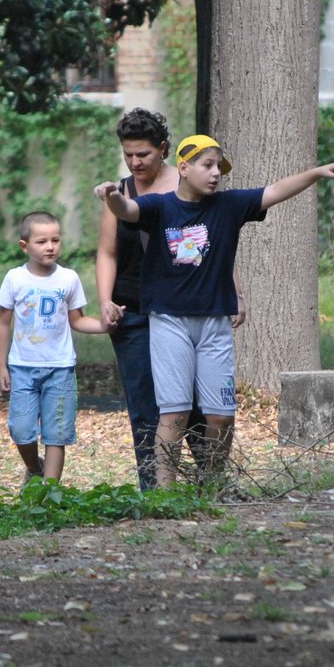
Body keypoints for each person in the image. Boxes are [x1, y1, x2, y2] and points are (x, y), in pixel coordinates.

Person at [96, 136, 334, 488]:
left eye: (219, 167)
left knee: (221, 417)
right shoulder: (159, 206)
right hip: (169, 322)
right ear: (183, 168)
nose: (215, 174)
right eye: (207, 165)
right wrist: (113, 196)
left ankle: (212, 485)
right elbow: (128, 212)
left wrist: (317, 173)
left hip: (215, 322)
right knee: (174, 413)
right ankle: (164, 495)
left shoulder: (229, 205)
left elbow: (276, 190)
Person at [95, 108, 239, 490]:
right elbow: (107, 252)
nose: (134, 162)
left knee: (195, 405)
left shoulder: (191, 182)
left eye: (142, 153)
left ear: (163, 150)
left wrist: (235, 291)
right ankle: (155, 491)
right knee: (146, 404)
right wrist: (105, 300)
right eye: (127, 154)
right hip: (133, 310)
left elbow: (215, 244)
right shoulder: (121, 194)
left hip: (183, 307)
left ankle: (209, 483)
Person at [0, 211, 108, 482]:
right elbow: (2, 323)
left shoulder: (68, 278)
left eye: (55, 240)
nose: (50, 246)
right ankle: (35, 469)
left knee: (57, 433)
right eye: (42, 241)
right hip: (23, 367)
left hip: (60, 368)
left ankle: (50, 493)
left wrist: (106, 326)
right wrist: (2, 365)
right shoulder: (14, 278)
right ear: (25, 245)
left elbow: (78, 320)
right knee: (21, 430)